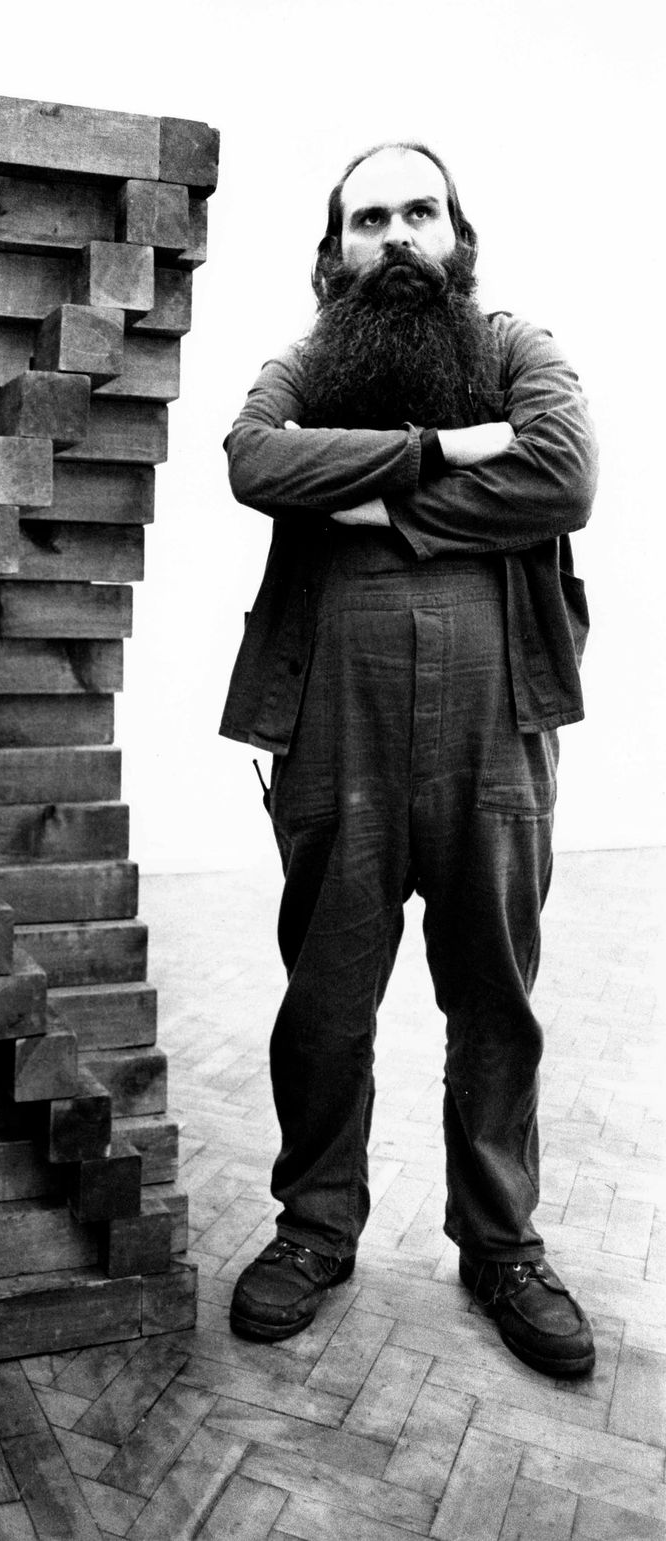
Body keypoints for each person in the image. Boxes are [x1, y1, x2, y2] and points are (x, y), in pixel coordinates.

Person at [219, 142, 598, 1376]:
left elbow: (563, 475)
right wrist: (441, 453)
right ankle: (314, 1229)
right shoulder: (305, 364)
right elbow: (257, 461)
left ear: (457, 233)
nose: (396, 234)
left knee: (495, 1001)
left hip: (496, 738)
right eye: (369, 216)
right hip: (337, 734)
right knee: (325, 1004)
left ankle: (503, 1247)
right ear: (335, 252)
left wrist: (372, 501)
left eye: (418, 211)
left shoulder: (515, 350)